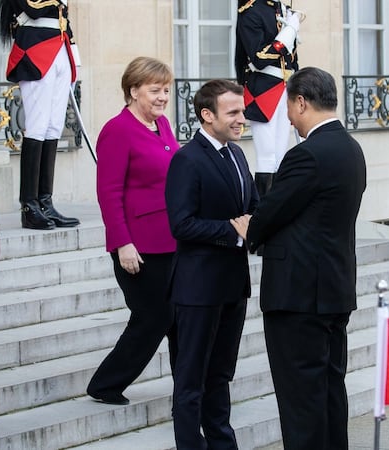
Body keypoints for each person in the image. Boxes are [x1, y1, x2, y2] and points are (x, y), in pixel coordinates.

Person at [232, 67, 366, 450]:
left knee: (301, 402)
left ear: (301, 102)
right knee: (328, 391)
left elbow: (272, 211)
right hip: (334, 290)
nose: (287, 117)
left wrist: (251, 229)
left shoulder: (306, 154)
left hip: (300, 296)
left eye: (289, 106)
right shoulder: (351, 148)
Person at [165, 79, 258, 450]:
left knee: (221, 375)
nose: (241, 118)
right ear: (207, 115)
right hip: (197, 289)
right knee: (191, 381)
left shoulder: (237, 154)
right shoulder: (187, 159)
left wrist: (253, 225)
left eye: (241, 110)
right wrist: (232, 231)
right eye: (232, 112)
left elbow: (251, 206)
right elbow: (181, 224)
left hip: (233, 285)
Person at [86, 56, 178, 406]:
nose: (162, 97)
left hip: (171, 240)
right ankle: (106, 382)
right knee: (153, 317)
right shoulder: (117, 129)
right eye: (155, 90)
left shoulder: (163, 125)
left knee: (178, 318)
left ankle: (186, 385)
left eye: (166, 90)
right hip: (138, 245)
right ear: (134, 90)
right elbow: (108, 192)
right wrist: (122, 243)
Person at [0, 0, 80, 230]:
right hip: (36, 49)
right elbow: (33, 7)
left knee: (54, 126)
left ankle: (45, 201)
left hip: (60, 46)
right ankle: (29, 206)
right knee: (37, 126)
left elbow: (63, 18)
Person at [235, 0, 301, 197]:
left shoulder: (282, 10)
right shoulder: (251, 11)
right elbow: (259, 58)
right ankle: (263, 206)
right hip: (263, 89)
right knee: (266, 156)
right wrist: (288, 33)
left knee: (280, 155)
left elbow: (292, 59)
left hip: (285, 87)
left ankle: (278, 203)